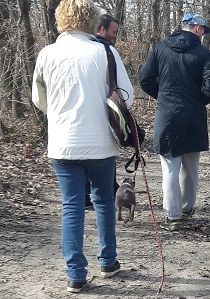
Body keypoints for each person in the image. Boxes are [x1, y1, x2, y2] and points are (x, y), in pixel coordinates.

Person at [32, 0, 134, 293]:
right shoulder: (105, 52)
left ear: (60, 20)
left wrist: (60, 115)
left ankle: (75, 274)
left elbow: (39, 99)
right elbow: (126, 96)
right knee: (103, 201)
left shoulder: (47, 54)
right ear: (92, 21)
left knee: (72, 206)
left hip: (62, 143)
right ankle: (108, 261)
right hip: (99, 142)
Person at [138, 13, 210, 230]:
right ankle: (186, 207)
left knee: (170, 167)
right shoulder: (203, 53)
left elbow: (144, 79)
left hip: (167, 115)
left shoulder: (159, 48)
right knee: (191, 166)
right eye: (203, 31)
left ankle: (172, 216)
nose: (203, 35)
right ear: (196, 29)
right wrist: (197, 100)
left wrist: (163, 96)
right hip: (192, 115)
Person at [85, 13, 121, 209]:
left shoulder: (78, 50)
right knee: (104, 153)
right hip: (101, 112)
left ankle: (85, 195)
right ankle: (107, 190)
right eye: (113, 32)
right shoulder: (106, 51)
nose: (115, 35)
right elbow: (123, 90)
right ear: (102, 30)